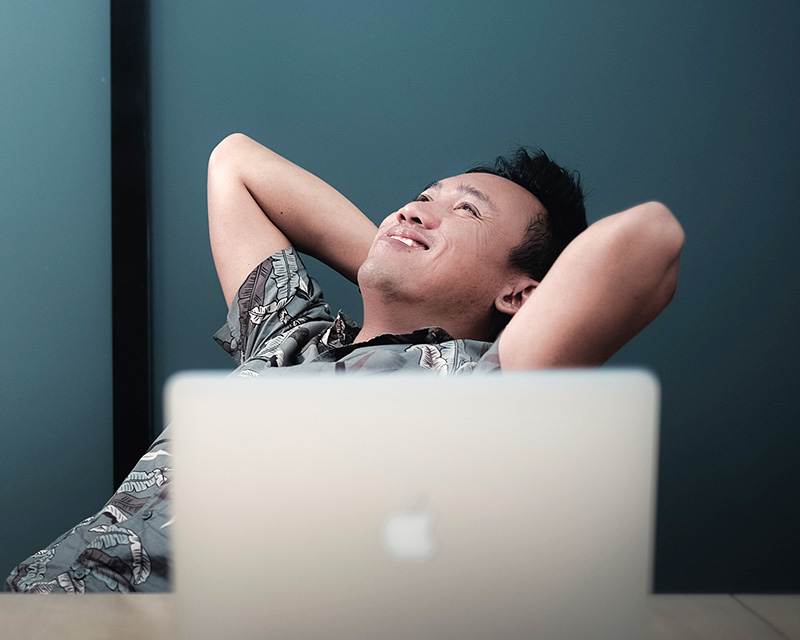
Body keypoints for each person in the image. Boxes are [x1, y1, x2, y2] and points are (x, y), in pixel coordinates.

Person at [5, 134, 684, 593]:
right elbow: (235, 161)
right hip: (36, 598)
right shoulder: (288, 334)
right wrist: (395, 254)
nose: (417, 210)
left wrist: (469, 296)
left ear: (521, 294)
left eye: (464, 211)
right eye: (421, 197)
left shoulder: (489, 383)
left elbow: (652, 238)